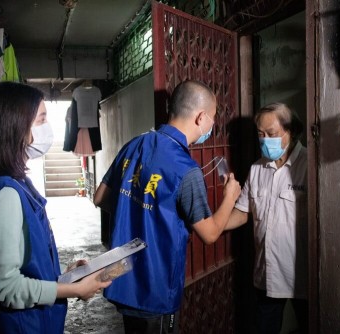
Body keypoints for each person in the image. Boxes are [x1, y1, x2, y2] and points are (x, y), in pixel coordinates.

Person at [93, 80, 241, 334]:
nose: (212, 125)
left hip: (124, 277)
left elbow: (100, 198)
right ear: (201, 117)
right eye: (213, 118)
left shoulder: (134, 145)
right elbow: (210, 233)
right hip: (156, 286)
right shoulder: (186, 169)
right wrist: (230, 196)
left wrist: (137, 213)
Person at [0, 82, 111, 334]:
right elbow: (3, 287)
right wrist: (72, 289)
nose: (48, 128)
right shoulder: (7, 195)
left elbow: (24, 262)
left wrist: (64, 277)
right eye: (42, 119)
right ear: (16, 127)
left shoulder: (16, 184)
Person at [225, 102, 308, 333]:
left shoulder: (309, 167)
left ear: (290, 131)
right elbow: (243, 212)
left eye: (271, 134)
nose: (264, 140)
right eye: (260, 134)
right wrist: (213, 224)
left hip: (303, 273)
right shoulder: (257, 169)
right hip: (267, 274)